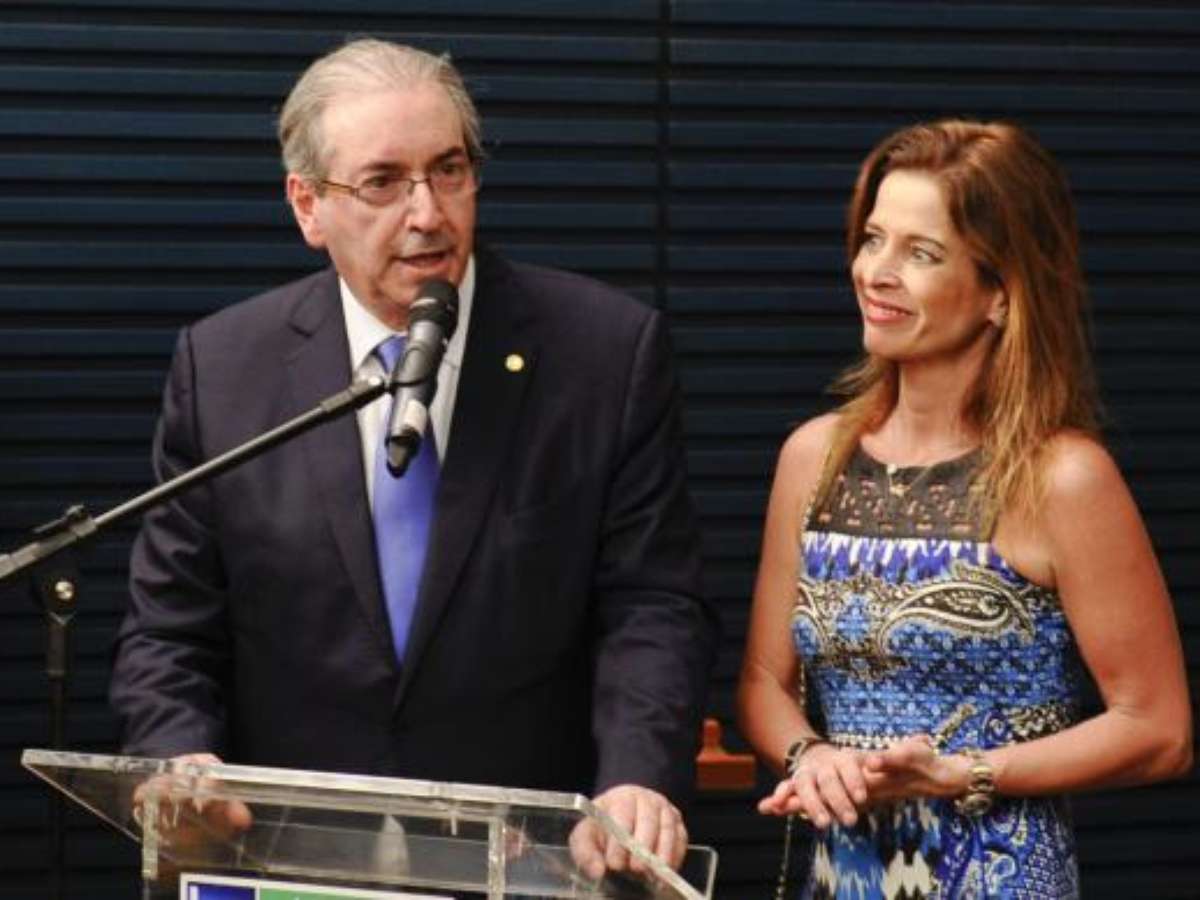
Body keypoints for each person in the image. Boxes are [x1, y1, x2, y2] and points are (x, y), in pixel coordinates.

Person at [109, 38, 716, 880]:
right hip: (289, 859)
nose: (427, 213)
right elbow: (170, 627)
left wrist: (635, 778)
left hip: (531, 860)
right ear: (307, 206)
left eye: (449, 171)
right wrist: (180, 757)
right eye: (383, 182)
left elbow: (653, 604)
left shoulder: (604, 355)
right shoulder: (224, 369)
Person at [737, 120, 1192, 898]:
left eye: (921, 253)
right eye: (873, 240)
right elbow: (761, 682)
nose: (876, 273)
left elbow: (1158, 729)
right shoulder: (814, 457)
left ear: (1000, 295)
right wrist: (812, 758)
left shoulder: (1063, 478)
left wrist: (962, 774)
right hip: (843, 879)